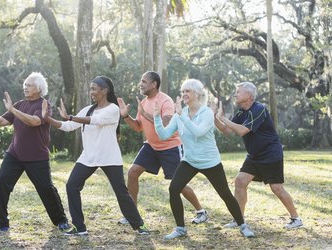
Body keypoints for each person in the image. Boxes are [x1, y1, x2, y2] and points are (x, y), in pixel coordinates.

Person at [42, 76, 149, 235]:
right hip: (88, 157)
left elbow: (95, 121)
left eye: (94, 89)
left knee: (121, 192)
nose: (91, 92)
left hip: (109, 157)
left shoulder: (113, 109)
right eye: (90, 89)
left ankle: (139, 225)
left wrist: (70, 116)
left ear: (104, 90)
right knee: (72, 186)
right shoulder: (87, 109)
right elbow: (68, 126)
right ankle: (80, 227)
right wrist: (48, 119)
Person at [153, 79, 254, 239]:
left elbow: (198, 132)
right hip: (190, 161)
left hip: (210, 162)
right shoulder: (181, 113)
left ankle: (242, 225)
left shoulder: (206, 113)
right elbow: (164, 135)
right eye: (183, 91)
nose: (184, 94)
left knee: (225, 194)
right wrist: (157, 117)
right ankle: (180, 229)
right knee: (174, 189)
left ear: (197, 94)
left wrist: (181, 116)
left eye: (188, 91)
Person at [0, 72, 70, 232]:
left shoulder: (44, 105)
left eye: (29, 85)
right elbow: (2, 122)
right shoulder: (19, 104)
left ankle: (61, 220)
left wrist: (13, 110)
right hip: (15, 154)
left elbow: (34, 121)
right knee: (2, 181)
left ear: (39, 88)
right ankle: (1, 222)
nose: (25, 87)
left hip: (37, 156)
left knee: (46, 189)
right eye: (25, 85)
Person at [117, 71, 207, 225]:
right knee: (132, 172)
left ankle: (201, 211)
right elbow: (138, 127)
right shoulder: (144, 102)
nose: (141, 84)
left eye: (144, 81)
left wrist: (144, 113)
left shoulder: (165, 100)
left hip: (170, 146)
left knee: (178, 184)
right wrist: (126, 116)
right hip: (151, 146)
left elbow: (165, 123)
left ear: (154, 84)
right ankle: (132, 214)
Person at [214, 81, 303, 229]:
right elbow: (227, 131)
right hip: (254, 155)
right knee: (240, 181)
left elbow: (242, 130)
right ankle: (239, 219)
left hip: (270, 154)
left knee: (277, 188)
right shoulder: (241, 112)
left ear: (249, 95)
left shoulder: (259, 109)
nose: (235, 94)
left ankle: (296, 219)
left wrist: (223, 118)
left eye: (238, 91)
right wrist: (214, 118)